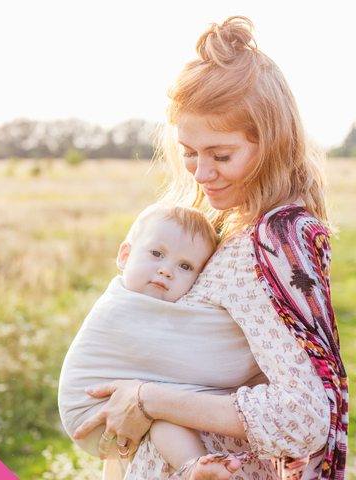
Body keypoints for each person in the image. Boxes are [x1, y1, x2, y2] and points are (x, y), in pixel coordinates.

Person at [72, 16, 348, 480]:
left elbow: (302, 418)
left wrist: (147, 397)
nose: (200, 173)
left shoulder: (272, 243)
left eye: (221, 155)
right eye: (189, 152)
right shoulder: (236, 227)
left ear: (274, 145)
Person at [59, 203, 265, 479]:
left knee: (162, 405)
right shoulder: (119, 309)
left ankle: (197, 468)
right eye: (156, 254)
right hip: (95, 415)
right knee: (164, 413)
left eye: (185, 266)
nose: (167, 271)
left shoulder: (156, 308)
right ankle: (193, 464)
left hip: (118, 413)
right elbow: (204, 361)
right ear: (124, 256)